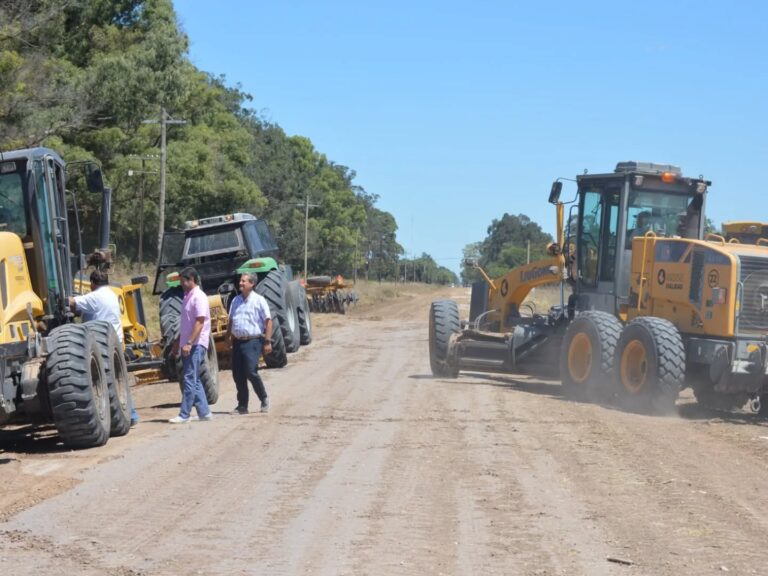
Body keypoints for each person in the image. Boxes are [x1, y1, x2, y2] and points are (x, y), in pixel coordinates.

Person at [69, 269, 140, 426]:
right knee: (118, 379)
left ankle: (127, 414)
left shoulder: (94, 296)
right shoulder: (111, 294)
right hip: (116, 340)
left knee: (106, 379)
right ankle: (132, 414)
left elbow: (72, 302)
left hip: (102, 343)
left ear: (93, 284)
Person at [169, 266, 213, 423]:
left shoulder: (199, 297)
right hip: (188, 344)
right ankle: (204, 413)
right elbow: (186, 324)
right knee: (194, 379)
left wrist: (189, 342)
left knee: (189, 378)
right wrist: (177, 343)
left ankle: (184, 414)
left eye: (183, 281)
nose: (181, 284)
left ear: (191, 280)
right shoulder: (187, 296)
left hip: (196, 344)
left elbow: (200, 322)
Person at [225, 271, 273, 414]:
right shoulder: (235, 301)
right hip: (238, 342)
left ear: (252, 284)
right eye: (240, 280)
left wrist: (267, 341)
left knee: (251, 371)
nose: (241, 283)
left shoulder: (259, 300)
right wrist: (228, 337)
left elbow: (268, 321)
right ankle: (242, 405)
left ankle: (263, 398)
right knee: (238, 374)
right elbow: (231, 321)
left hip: (253, 341)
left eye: (244, 281)